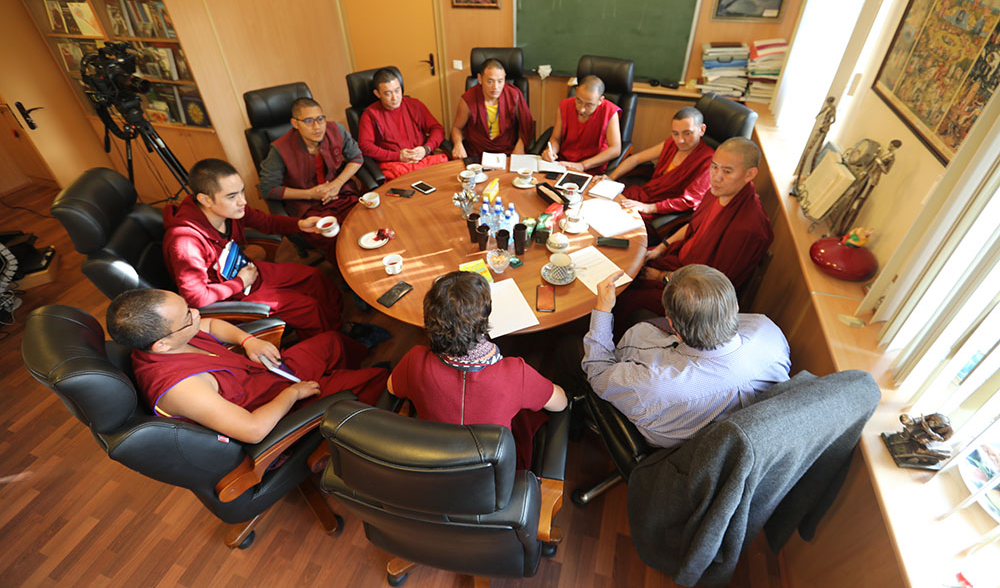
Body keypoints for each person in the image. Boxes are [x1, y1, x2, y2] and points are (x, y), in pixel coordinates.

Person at [108, 289, 388, 444]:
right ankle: (371, 407)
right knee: (374, 381)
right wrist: (293, 394)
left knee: (331, 342)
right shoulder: (183, 388)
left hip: (268, 374)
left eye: (189, 307)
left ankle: (351, 368)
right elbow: (252, 431)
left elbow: (211, 324)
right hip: (276, 408)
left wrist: (248, 340)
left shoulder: (172, 338)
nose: (197, 314)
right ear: (162, 345)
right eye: (187, 315)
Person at [582, 265, 790, 448]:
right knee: (640, 317)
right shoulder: (767, 331)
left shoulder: (656, 384)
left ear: (672, 326)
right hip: (722, 432)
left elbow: (598, 372)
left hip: (667, 439)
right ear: (735, 307)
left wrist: (603, 309)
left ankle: (578, 419)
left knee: (567, 351)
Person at [387, 271, 567, 467]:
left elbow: (391, 388)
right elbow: (560, 403)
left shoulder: (415, 361)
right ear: (484, 319)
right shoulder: (516, 373)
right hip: (491, 474)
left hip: (433, 462)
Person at [163, 158, 342, 338]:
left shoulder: (230, 210)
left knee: (315, 278)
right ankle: (332, 346)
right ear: (205, 199)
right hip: (230, 293)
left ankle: (339, 327)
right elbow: (196, 297)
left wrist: (301, 224)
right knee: (308, 308)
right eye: (232, 196)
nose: (242, 201)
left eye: (242, 192)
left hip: (245, 271)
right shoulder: (185, 242)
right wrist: (240, 282)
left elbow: (266, 222)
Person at [623, 137, 773, 316]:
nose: (716, 177)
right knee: (628, 264)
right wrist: (662, 247)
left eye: (727, 171)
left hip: (691, 293)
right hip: (678, 259)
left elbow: (711, 286)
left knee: (626, 297)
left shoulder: (748, 228)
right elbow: (692, 226)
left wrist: (660, 276)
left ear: (749, 174)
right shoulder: (715, 193)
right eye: (714, 167)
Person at [257, 97, 363, 261]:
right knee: (334, 236)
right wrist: (309, 194)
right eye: (308, 121)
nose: (317, 127)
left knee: (363, 221)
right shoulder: (280, 149)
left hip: (339, 193)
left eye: (320, 119)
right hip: (307, 204)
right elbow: (267, 188)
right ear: (295, 123)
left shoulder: (336, 130)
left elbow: (356, 158)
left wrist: (338, 183)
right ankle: (348, 274)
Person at [611, 106, 713, 221]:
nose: (680, 140)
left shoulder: (708, 160)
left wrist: (648, 208)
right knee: (605, 203)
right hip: (645, 195)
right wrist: (610, 177)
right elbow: (636, 159)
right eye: (675, 133)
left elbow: (689, 201)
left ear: (702, 130)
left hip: (661, 209)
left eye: (687, 133)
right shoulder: (672, 143)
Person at [357, 68, 448, 180]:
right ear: (377, 94)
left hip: (423, 160)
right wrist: (398, 156)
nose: (395, 98)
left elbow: (437, 129)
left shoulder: (415, 105)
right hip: (396, 165)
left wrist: (426, 149)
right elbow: (365, 147)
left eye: (397, 90)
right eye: (388, 93)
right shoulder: (370, 114)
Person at [450, 58, 533, 159]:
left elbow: (526, 126)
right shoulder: (468, 100)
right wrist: (458, 144)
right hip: (477, 154)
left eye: (500, 81)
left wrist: (520, 145)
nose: (496, 87)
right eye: (490, 81)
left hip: (507, 153)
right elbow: (457, 128)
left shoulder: (514, 96)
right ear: (480, 79)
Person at [541, 75, 622, 173]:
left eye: (589, 105)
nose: (582, 109)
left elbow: (616, 149)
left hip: (592, 166)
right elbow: (555, 138)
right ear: (577, 90)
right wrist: (551, 151)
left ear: (600, 100)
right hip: (564, 163)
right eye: (579, 101)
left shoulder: (610, 111)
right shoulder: (565, 105)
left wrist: (582, 165)